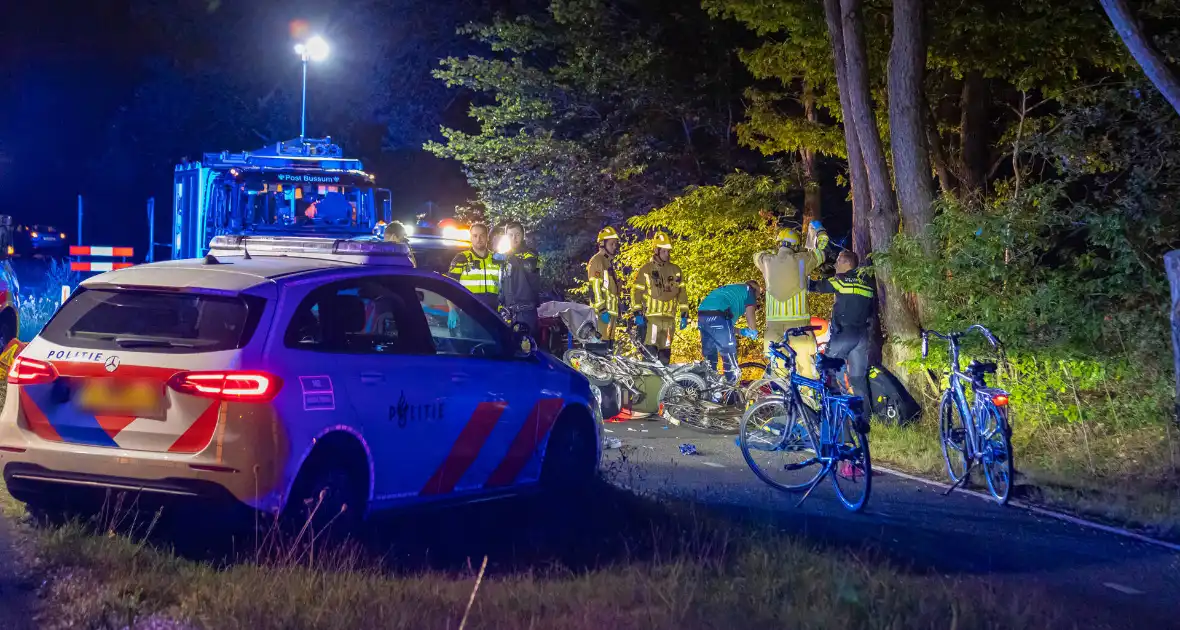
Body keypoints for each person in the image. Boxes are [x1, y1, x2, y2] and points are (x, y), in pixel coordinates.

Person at [754, 220, 828, 379]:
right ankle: (809, 402)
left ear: (780, 244)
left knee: (779, 375)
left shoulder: (766, 261)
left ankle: (782, 403)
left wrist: (774, 252)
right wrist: (820, 231)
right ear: (795, 247)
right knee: (806, 372)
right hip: (799, 330)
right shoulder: (802, 260)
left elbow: (756, 255)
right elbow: (822, 251)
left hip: (774, 330)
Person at [809, 250, 875, 399]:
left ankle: (827, 410)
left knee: (825, 367)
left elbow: (816, 286)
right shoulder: (867, 282)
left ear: (846, 263)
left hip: (844, 334)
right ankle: (865, 418)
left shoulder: (841, 279)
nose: (835, 264)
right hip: (862, 336)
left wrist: (800, 277)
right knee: (858, 380)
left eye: (838, 261)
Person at [631, 231, 688, 365]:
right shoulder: (646, 269)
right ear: (656, 250)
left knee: (665, 354)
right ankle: (648, 383)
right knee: (650, 354)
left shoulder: (676, 270)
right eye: (664, 251)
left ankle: (663, 384)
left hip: (670, 320)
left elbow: (682, 293)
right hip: (652, 320)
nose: (667, 254)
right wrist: (637, 313)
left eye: (668, 251)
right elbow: (636, 292)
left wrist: (684, 314)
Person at [696, 280, 762, 383]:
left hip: (702, 314)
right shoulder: (749, 290)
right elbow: (750, 313)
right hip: (718, 314)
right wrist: (753, 330)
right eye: (759, 294)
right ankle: (731, 390)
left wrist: (743, 332)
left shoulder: (733, 292)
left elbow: (726, 328)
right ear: (755, 288)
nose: (758, 298)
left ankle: (707, 387)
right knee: (729, 355)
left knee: (710, 358)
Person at [496, 221, 542, 335]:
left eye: (517, 234)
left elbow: (529, 268)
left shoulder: (530, 255)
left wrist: (509, 256)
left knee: (528, 347)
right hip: (508, 312)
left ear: (523, 236)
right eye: (510, 235)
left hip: (525, 311)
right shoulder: (505, 257)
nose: (514, 238)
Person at [446, 222, 501, 311]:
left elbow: (504, 287)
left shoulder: (496, 259)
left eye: (482, 235)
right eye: (475, 236)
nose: (478, 239)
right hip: (469, 312)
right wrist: (452, 309)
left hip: (493, 312)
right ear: (471, 238)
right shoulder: (462, 258)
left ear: (487, 237)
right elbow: (450, 286)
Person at [587, 226, 621, 340]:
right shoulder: (597, 261)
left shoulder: (608, 262)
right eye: (612, 244)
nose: (614, 247)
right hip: (602, 314)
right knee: (601, 346)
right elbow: (594, 287)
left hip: (611, 312)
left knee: (610, 347)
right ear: (602, 244)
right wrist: (601, 309)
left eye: (615, 244)